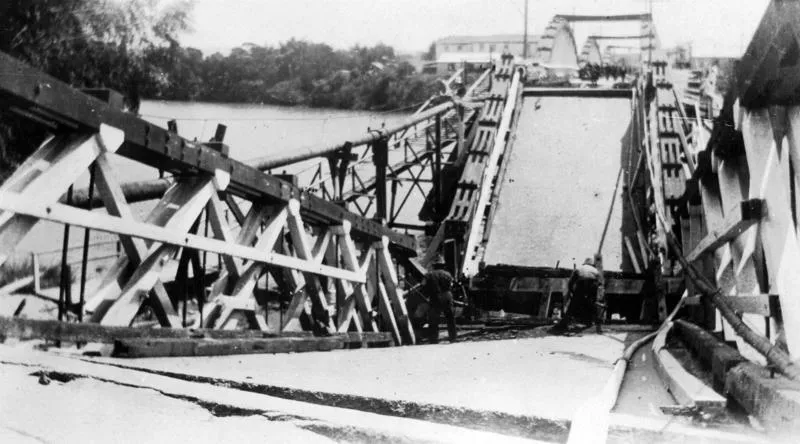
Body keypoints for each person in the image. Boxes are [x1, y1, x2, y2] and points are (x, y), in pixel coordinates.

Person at [552, 258, 600, 332]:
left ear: (584, 263)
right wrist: (593, 296)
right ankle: (591, 322)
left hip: (582, 284)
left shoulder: (579, 268)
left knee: (573, 304)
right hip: (592, 285)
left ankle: (564, 323)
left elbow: (571, 282)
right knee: (591, 304)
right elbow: (599, 283)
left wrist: (572, 292)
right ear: (592, 264)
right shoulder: (596, 270)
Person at [422, 258, 457, 343]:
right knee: (450, 318)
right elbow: (451, 285)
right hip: (447, 296)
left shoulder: (428, 274)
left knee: (433, 319)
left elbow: (423, 285)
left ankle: (434, 339)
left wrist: (427, 294)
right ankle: (453, 338)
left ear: (434, 266)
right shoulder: (448, 274)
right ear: (443, 266)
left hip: (435, 297)